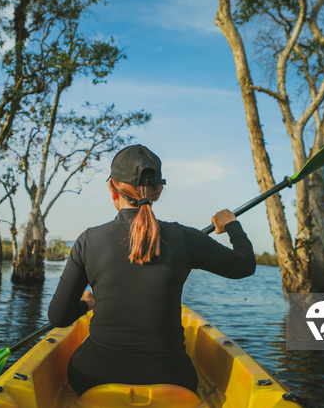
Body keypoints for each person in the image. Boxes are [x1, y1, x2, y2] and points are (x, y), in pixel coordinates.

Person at [47, 144, 256, 395]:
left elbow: (58, 318)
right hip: (173, 380)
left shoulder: (88, 240)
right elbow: (245, 265)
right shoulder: (184, 238)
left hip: (93, 378)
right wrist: (232, 225)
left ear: (112, 188)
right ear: (158, 192)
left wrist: (86, 305)